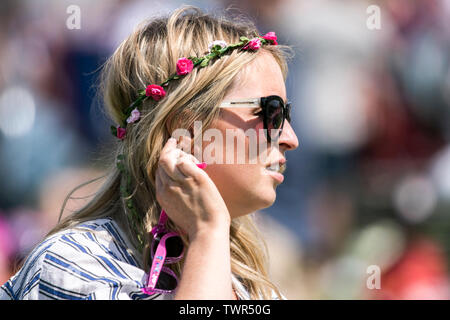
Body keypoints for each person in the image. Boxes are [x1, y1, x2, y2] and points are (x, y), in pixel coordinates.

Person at [0, 5, 298, 300]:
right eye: (270, 112)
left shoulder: (254, 287)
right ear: (187, 129)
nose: (290, 138)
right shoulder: (73, 264)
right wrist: (207, 234)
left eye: (287, 114)